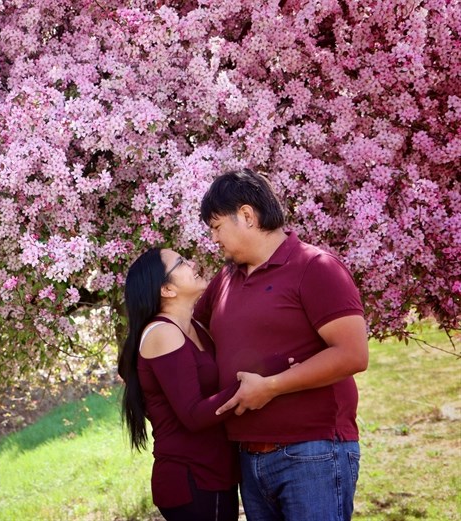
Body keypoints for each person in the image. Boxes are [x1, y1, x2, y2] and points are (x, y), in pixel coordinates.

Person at [194, 168, 369, 521]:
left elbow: (352, 354)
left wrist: (271, 387)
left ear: (246, 215)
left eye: (216, 227)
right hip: (248, 457)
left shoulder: (316, 267)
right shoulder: (226, 279)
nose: (214, 239)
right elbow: (190, 329)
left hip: (312, 453)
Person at [118, 247, 291, 521]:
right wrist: (263, 379)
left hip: (214, 472)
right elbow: (193, 415)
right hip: (190, 478)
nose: (194, 262)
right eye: (181, 263)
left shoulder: (196, 327)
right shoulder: (163, 332)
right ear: (166, 289)